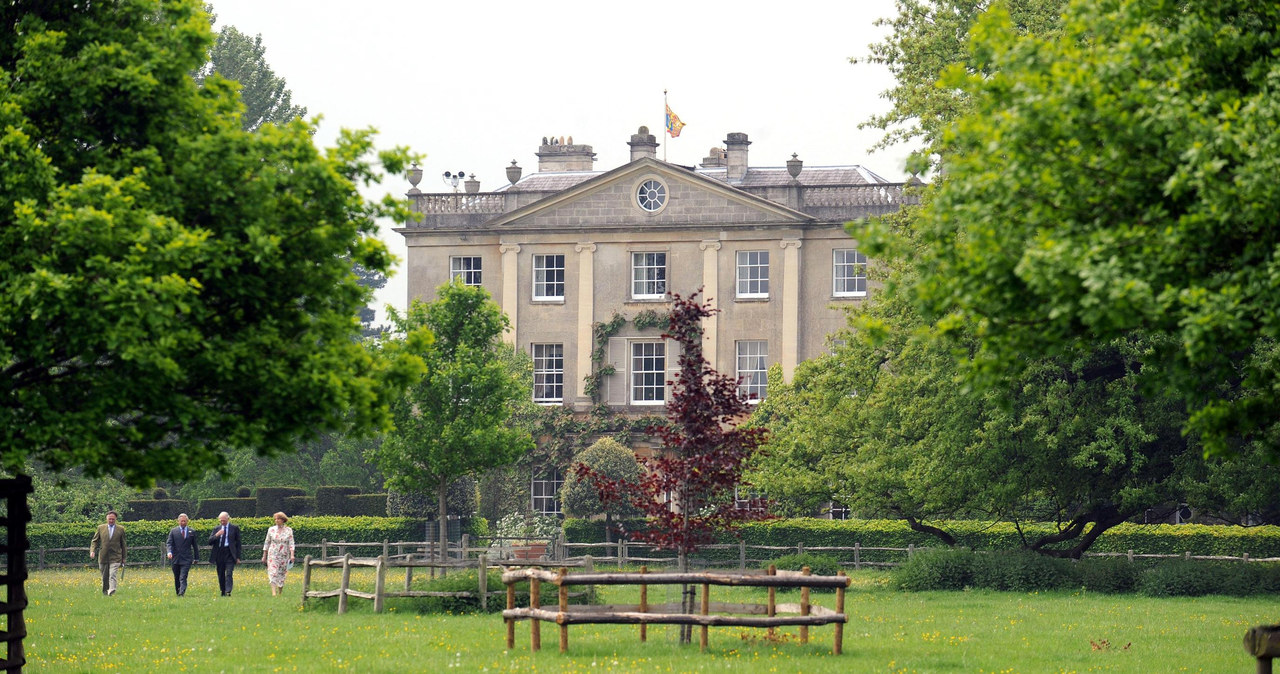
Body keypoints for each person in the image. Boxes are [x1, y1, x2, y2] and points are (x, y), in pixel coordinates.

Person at [89, 510, 126, 596]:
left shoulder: (121, 529)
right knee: (105, 576)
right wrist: (92, 551)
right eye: (110, 519)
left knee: (112, 574)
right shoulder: (100, 528)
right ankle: (105, 592)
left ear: (116, 519)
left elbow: (123, 544)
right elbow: (94, 541)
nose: (111, 521)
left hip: (116, 557)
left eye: (113, 519)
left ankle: (112, 590)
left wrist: (124, 558)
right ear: (106, 519)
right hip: (103, 556)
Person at [260, 511, 296, 596]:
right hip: (273, 554)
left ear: (283, 520)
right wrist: (264, 556)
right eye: (275, 519)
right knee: (273, 572)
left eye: (278, 519)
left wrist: (292, 555)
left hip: (284, 555)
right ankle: (274, 593)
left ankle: (280, 592)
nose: (276, 520)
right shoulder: (271, 530)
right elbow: (267, 543)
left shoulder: (288, 530)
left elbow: (291, 543)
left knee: (282, 573)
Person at [208, 511, 242, 596]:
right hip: (219, 553)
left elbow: (238, 543)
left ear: (228, 519)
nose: (222, 522)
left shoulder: (234, 528)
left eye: (224, 520)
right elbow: (210, 541)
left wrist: (238, 557)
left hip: (229, 553)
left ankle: (228, 590)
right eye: (221, 521)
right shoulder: (216, 528)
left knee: (229, 573)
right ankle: (223, 591)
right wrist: (217, 535)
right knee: (221, 573)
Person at [165, 513, 199, 596]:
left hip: (186, 558)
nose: (183, 523)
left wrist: (196, 558)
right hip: (175, 558)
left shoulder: (192, 532)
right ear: (178, 521)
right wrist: (169, 552)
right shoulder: (173, 531)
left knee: (183, 576)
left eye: (184, 521)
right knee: (177, 577)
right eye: (181, 521)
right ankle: (178, 591)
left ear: (187, 521)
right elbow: (169, 543)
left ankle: (182, 592)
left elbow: (195, 546)